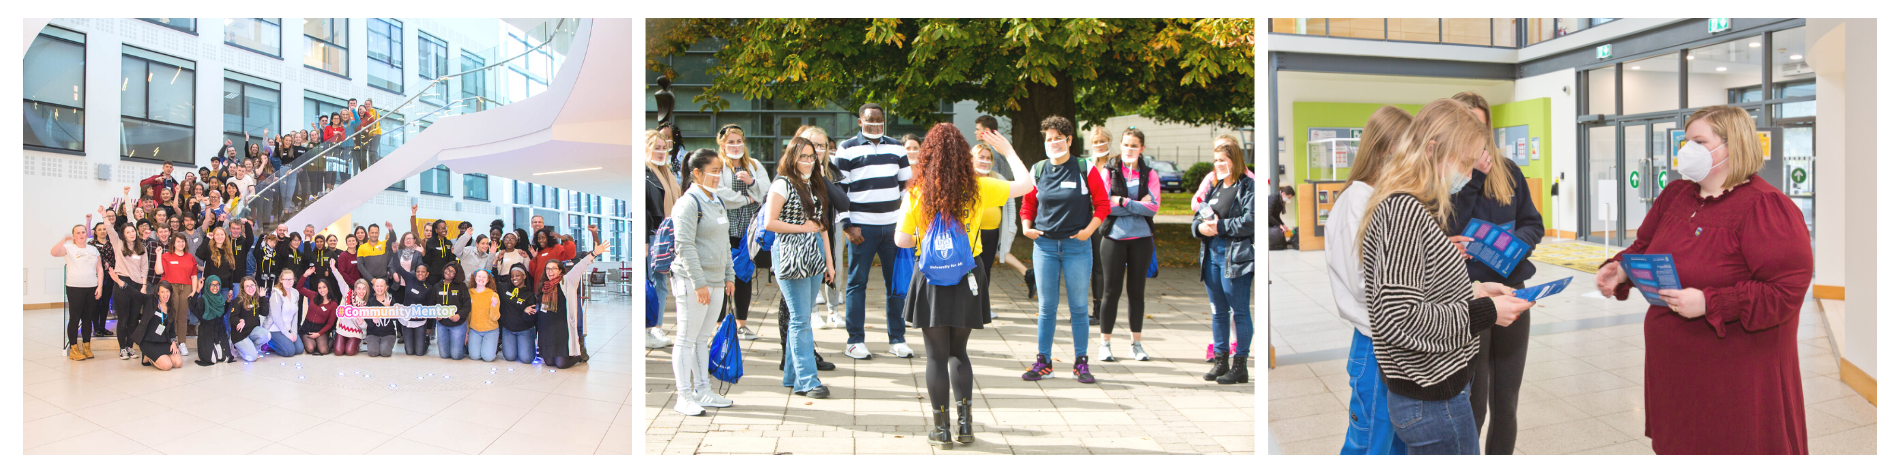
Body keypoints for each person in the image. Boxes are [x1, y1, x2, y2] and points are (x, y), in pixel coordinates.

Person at [1592, 105, 1814, 454]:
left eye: (1698, 141)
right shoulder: (1677, 194)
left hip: (1734, 375)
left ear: (1733, 145)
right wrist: (1621, 268)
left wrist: (1712, 302)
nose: (1686, 150)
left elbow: (1785, 290)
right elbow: (1645, 245)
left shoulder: (1765, 207)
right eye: (1685, 141)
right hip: (1676, 371)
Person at [1356, 99, 1532, 454]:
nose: (1469, 176)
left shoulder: (1412, 205)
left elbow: (1423, 288)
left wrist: (1477, 289)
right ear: (1433, 150)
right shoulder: (1403, 210)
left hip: (1436, 391)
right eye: (1466, 164)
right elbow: (1399, 318)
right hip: (1431, 400)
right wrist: (1487, 312)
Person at [896, 123, 1034, 449]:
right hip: (967, 277)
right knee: (959, 352)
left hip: (930, 279)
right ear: (963, 154)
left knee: (934, 357)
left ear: (928, 153)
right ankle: (966, 426)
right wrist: (1008, 151)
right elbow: (1027, 184)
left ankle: (941, 430)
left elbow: (901, 240)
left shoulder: (917, 192)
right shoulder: (980, 187)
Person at [1447, 91, 1544, 455]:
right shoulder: (1448, 179)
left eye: (1481, 127)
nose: (1476, 135)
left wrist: (1516, 242)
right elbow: (1447, 228)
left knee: (1506, 403)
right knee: (1473, 403)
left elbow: (1534, 223)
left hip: (1512, 288)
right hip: (1468, 296)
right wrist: (1473, 178)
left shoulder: (1509, 171)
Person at [1324, 105, 1413, 455]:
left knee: (1395, 447)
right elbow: (1366, 284)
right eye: (1408, 151)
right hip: (1374, 347)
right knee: (1370, 449)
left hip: (1393, 344)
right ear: (1386, 150)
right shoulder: (1356, 202)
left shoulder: (1381, 199)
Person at [1019, 114, 1108, 383]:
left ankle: (1081, 362)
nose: (1054, 142)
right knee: (1047, 307)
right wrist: (1026, 227)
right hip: (1045, 246)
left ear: (1069, 140)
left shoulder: (1085, 168)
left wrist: (1087, 232)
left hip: (1076, 247)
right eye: (1049, 138)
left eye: (1059, 138)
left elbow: (1103, 205)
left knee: (1079, 308)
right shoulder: (1038, 170)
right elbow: (1028, 205)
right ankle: (1043, 362)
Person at [833, 103, 915, 359]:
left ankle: (897, 339)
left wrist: (905, 221)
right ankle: (855, 341)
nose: (876, 125)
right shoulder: (846, 148)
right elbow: (839, 190)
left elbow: (906, 186)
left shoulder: (896, 147)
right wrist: (847, 225)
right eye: (870, 120)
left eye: (880, 120)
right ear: (860, 121)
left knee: (897, 285)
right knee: (857, 284)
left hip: (894, 228)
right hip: (861, 227)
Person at [762, 137, 838, 398]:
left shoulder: (814, 184)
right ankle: (807, 381)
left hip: (815, 252)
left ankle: (791, 376)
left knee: (803, 317)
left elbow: (823, 227)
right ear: (791, 158)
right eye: (802, 156)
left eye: (811, 156)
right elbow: (769, 223)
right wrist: (801, 228)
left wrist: (829, 262)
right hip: (790, 252)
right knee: (799, 319)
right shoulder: (782, 183)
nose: (808, 161)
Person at [670, 149, 737, 416]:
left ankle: (702, 391)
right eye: (714, 170)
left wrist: (729, 276)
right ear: (697, 173)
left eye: (721, 170)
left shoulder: (716, 200)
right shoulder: (688, 203)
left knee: (701, 339)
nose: (719, 176)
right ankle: (683, 396)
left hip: (716, 280)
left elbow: (725, 242)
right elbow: (684, 246)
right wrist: (698, 283)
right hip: (692, 281)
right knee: (686, 339)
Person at [1093, 128, 1160, 361]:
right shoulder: (1109, 171)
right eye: (1126, 145)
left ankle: (1136, 344)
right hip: (1113, 238)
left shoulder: (1149, 174)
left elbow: (1153, 207)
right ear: (1120, 145)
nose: (1130, 149)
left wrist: (1121, 200)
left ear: (1141, 148)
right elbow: (1103, 205)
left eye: (1135, 146)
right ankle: (1105, 344)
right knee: (1110, 292)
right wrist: (1135, 204)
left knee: (1136, 293)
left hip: (1141, 240)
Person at [1196, 140, 1259, 385]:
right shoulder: (1215, 186)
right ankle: (1220, 362)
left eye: (1223, 160)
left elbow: (1251, 220)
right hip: (1211, 256)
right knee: (1218, 312)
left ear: (1235, 161)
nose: (1218, 165)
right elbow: (1198, 214)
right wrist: (1200, 227)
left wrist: (1220, 226)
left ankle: (1240, 365)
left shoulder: (1247, 186)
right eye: (1216, 160)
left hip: (1236, 257)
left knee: (1239, 311)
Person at [712, 124, 770, 341]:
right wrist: (746, 199)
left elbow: (767, 189)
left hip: (750, 226)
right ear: (723, 145)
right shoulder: (717, 164)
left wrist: (751, 181)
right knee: (721, 275)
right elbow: (719, 192)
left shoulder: (754, 164)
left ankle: (741, 324)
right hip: (725, 226)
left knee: (744, 274)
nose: (735, 146)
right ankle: (719, 324)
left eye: (738, 141)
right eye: (730, 142)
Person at [796, 125, 850, 330]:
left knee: (834, 269)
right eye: (814, 145)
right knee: (810, 270)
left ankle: (833, 311)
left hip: (831, 228)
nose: (818, 150)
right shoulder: (792, 172)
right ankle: (812, 312)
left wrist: (823, 178)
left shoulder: (831, 171)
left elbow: (844, 203)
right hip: (804, 230)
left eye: (822, 145)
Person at [972, 138, 1031, 304]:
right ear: (972, 159)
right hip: (971, 233)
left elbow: (1010, 205)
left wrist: (1011, 228)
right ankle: (970, 306)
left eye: (988, 157)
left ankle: (983, 306)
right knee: (970, 269)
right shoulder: (966, 180)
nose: (984, 161)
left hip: (992, 232)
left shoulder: (998, 178)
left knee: (986, 269)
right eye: (980, 157)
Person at [540, 227, 606, 369]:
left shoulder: (567, 280)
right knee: (549, 362)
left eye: (554, 269)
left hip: (564, 327)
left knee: (561, 364)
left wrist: (594, 252)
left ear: (560, 270)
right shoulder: (545, 286)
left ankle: (578, 355)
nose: (550, 272)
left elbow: (581, 265)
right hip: (551, 329)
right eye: (548, 269)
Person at [646, 130, 684, 349]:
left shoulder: (667, 172)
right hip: (653, 236)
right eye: (656, 148)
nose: (661, 152)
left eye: (663, 148)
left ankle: (656, 327)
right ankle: (649, 328)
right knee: (653, 283)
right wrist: (644, 242)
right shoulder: (645, 173)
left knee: (660, 283)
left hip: (668, 235)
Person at [102, 213, 152, 361]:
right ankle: (122, 348)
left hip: (137, 285)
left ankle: (130, 346)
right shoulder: (119, 244)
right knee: (123, 319)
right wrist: (103, 215)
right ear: (123, 234)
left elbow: (144, 268)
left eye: (132, 231)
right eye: (127, 232)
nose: (131, 234)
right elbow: (110, 230)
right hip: (121, 283)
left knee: (133, 319)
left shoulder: (141, 247)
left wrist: (143, 286)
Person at [52, 224, 103, 361]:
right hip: (75, 288)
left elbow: (99, 269)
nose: (81, 235)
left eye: (83, 232)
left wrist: (100, 287)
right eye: (78, 233)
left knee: (88, 318)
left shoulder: (93, 249)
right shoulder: (69, 248)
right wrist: (64, 240)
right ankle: (74, 348)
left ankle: (86, 347)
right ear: (74, 235)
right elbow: (54, 252)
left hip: (91, 287)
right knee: (75, 318)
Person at [156, 233, 198, 357]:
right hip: (171, 288)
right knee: (171, 316)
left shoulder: (190, 257)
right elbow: (159, 271)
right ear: (173, 243)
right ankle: (171, 341)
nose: (181, 244)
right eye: (178, 241)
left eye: (183, 241)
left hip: (186, 287)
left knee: (183, 316)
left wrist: (194, 290)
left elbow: (194, 275)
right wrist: (158, 255)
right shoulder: (166, 256)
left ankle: (182, 343)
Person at [392, 259, 436, 356]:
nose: (420, 273)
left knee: (419, 352)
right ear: (415, 272)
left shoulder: (429, 287)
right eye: (418, 271)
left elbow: (430, 308)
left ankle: (426, 341)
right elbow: (398, 267)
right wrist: (394, 252)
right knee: (410, 352)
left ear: (427, 274)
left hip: (420, 322)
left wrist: (429, 328)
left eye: (423, 272)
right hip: (407, 320)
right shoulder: (410, 279)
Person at [498, 265, 541, 364]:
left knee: (526, 359)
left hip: (524, 331)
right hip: (508, 330)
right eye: (512, 276)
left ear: (524, 276)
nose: (514, 278)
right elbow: (494, 279)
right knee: (510, 357)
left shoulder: (529, 295)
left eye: (517, 275)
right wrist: (495, 264)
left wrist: (526, 312)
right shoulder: (505, 288)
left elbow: (531, 319)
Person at [188, 275, 234, 366]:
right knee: (211, 360)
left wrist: (228, 301)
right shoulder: (203, 300)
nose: (215, 287)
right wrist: (198, 290)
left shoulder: (220, 299)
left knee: (225, 358)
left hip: (219, 333)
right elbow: (192, 307)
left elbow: (222, 313)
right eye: (212, 285)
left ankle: (217, 347)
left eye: (217, 285)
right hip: (207, 334)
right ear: (208, 286)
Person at [139, 284, 185, 371]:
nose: (165, 294)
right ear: (158, 293)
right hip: (150, 341)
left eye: (167, 291)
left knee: (178, 363)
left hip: (164, 341)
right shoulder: (151, 302)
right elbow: (136, 295)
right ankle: (147, 355)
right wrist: (120, 282)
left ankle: (161, 356)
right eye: (162, 292)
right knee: (167, 365)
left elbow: (171, 329)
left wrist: (174, 343)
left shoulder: (171, 308)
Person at [296, 266, 337, 356]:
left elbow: (330, 324)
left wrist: (318, 334)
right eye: (319, 288)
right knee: (310, 349)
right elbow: (299, 288)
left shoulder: (333, 304)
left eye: (324, 287)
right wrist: (305, 275)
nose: (322, 290)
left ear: (328, 288)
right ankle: (313, 342)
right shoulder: (313, 295)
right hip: (307, 328)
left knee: (323, 350)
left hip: (320, 329)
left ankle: (331, 340)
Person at [434, 263, 472, 360]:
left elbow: (467, 306)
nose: (448, 273)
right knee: (444, 355)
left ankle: (464, 347)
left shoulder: (462, 286)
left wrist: (459, 315)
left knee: (456, 356)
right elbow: (432, 304)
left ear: (456, 275)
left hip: (458, 324)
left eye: (452, 272)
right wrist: (436, 314)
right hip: (442, 324)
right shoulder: (437, 286)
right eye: (447, 269)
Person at [264, 269, 305, 357]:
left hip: (288, 329)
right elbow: (276, 317)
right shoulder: (276, 294)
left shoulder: (295, 293)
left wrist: (294, 333)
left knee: (299, 349)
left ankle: (284, 341)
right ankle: (268, 342)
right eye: (286, 279)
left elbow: (295, 315)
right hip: (275, 329)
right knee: (289, 351)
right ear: (281, 280)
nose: (289, 281)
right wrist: (287, 335)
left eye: (291, 279)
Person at [87, 222, 117, 340]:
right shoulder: (91, 245)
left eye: (104, 229)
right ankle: (96, 328)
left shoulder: (112, 244)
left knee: (105, 304)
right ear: (96, 231)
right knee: (96, 304)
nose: (103, 231)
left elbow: (116, 259)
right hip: (95, 278)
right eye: (100, 229)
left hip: (109, 277)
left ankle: (103, 327)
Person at [229, 276, 271, 362]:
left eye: (252, 285)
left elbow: (265, 312)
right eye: (247, 286)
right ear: (243, 288)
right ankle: (236, 347)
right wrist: (240, 321)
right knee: (252, 358)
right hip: (240, 335)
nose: (250, 288)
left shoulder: (256, 299)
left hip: (252, 332)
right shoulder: (238, 300)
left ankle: (252, 348)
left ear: (256, 286)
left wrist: (263, 298)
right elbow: (232, 317)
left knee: (267, 335)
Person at [467, 269, 503, 362]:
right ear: (474, 278)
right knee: (474, 356)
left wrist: (494, 306)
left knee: (488, 358)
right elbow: (467, 315)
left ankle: (491, 347)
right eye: (479, 276)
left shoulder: (493, 295)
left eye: (484, 277)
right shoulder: (469, 293)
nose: (481, 279)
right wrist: (466, 332)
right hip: (474, 330)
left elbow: (495, 317)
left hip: (490, 330)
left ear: (488, 280)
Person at [362, 278, 400, 358]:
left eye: (382, 286)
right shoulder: (370, 301)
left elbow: (396, 318)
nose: (379, 288)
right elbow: (366, 319)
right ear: (374, 288)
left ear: (386, 288)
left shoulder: (391, 300)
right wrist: (373, 321)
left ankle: (384, 343)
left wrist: (388, 308)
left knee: (385, 352)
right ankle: (377, 343)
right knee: (373, 352)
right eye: (377, 286)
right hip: (373, 333)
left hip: (388, 333)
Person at [1267, 186, 1298, 250]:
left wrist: (1283, 224)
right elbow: (1268, 215)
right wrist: (1279, 225)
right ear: (1283, 193)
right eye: (1288, 197)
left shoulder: (1280, 200)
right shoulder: (1273, 199)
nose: (1288, 199)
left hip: (1270, 219)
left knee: (1280, 231)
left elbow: (1276, 215)